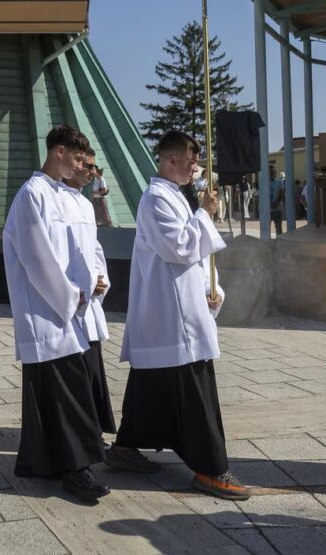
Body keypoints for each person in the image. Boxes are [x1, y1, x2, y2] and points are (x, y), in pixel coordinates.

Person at [108, 130, 250, 501]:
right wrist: (204, 212)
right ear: (171, 160)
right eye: (191, 161)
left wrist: (209, 285)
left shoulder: (174, 196)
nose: (196, 168)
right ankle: (210, 468)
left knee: (151, 383)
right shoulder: (156, 199)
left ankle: (125, 447)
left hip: (178, 305)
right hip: (172, 313)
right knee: (194, 387)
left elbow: (193, 251)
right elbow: (179, 246)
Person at [3, 126, 110, 503]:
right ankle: (75, 470)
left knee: (54, 394)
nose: (84, 167)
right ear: (59, 152)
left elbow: (92, 249)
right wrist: (70, 297)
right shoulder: (32, 195)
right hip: (48, 311)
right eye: (79, 160)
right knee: (65, 395)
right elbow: (37, 258)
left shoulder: (77, 199)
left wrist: (99, 282)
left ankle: (36, 461)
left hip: (77, 310)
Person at [61, 149, 116, 436]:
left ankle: (93, 432)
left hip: (90, 299)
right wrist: (80, 284)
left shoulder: (84, 204)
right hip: (71, 300)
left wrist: (100, 278)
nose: (91, 171)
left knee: (92, 369)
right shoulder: (53, 199)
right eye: (87, 165)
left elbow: (94, 249)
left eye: (95, 166)